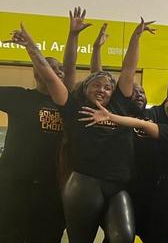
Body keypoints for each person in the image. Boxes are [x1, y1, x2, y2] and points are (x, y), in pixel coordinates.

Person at [10, 18, 154, 243]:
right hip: (84, 185)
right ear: (84, 89)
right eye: (96, 85)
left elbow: (128, 69)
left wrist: (136, 36)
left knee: (124, 237)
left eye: (107, 87)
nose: (102, 90)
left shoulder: (121, 104)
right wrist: (32, 47)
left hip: (117, 186)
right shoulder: (73, 107)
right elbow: (50, 75)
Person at [78, 56, 168, 242]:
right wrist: (111, 116)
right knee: (125, 235)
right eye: (134, 92)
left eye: (142, 92)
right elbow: (144, 121)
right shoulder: (165, 128)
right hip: (144, 190)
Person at [0, 55, 66, 242]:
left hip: (52, 188)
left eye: (61, 68)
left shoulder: (68, 106)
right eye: (53, 68)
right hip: (14, 185)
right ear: (37, 73)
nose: (59, 72)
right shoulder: (20, 97)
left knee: (48, 235)